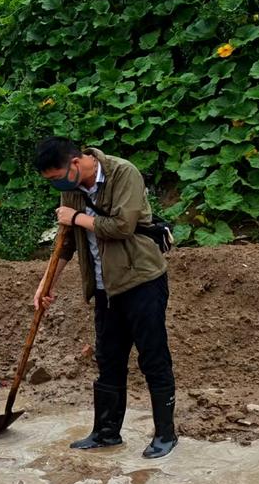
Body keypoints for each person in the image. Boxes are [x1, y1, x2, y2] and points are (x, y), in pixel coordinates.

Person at [32, 137, 177, 459]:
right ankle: (106, 432)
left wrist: (77, 218)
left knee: (153, 357)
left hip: (141, 280)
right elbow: (66, 241)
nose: (56, 186)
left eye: (57, 178)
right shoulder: (71, 189)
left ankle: (166, 434)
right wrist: (46, 284)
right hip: (104, 287)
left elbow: (123, 226)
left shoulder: (123, 173)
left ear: (74, 163)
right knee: (109, 359)